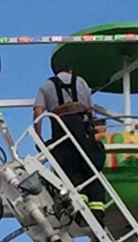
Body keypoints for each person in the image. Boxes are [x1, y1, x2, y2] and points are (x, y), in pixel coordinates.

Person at [33, 63, 107, 227]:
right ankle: (97, 212)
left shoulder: (46, 86)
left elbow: (38, 111)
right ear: (70, 70)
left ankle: (80, 210)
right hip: (82, 125)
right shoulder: (80, 82)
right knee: (91, 167)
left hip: (60, 127)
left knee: (69, 167)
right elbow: (90, 108)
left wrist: (38, 137)